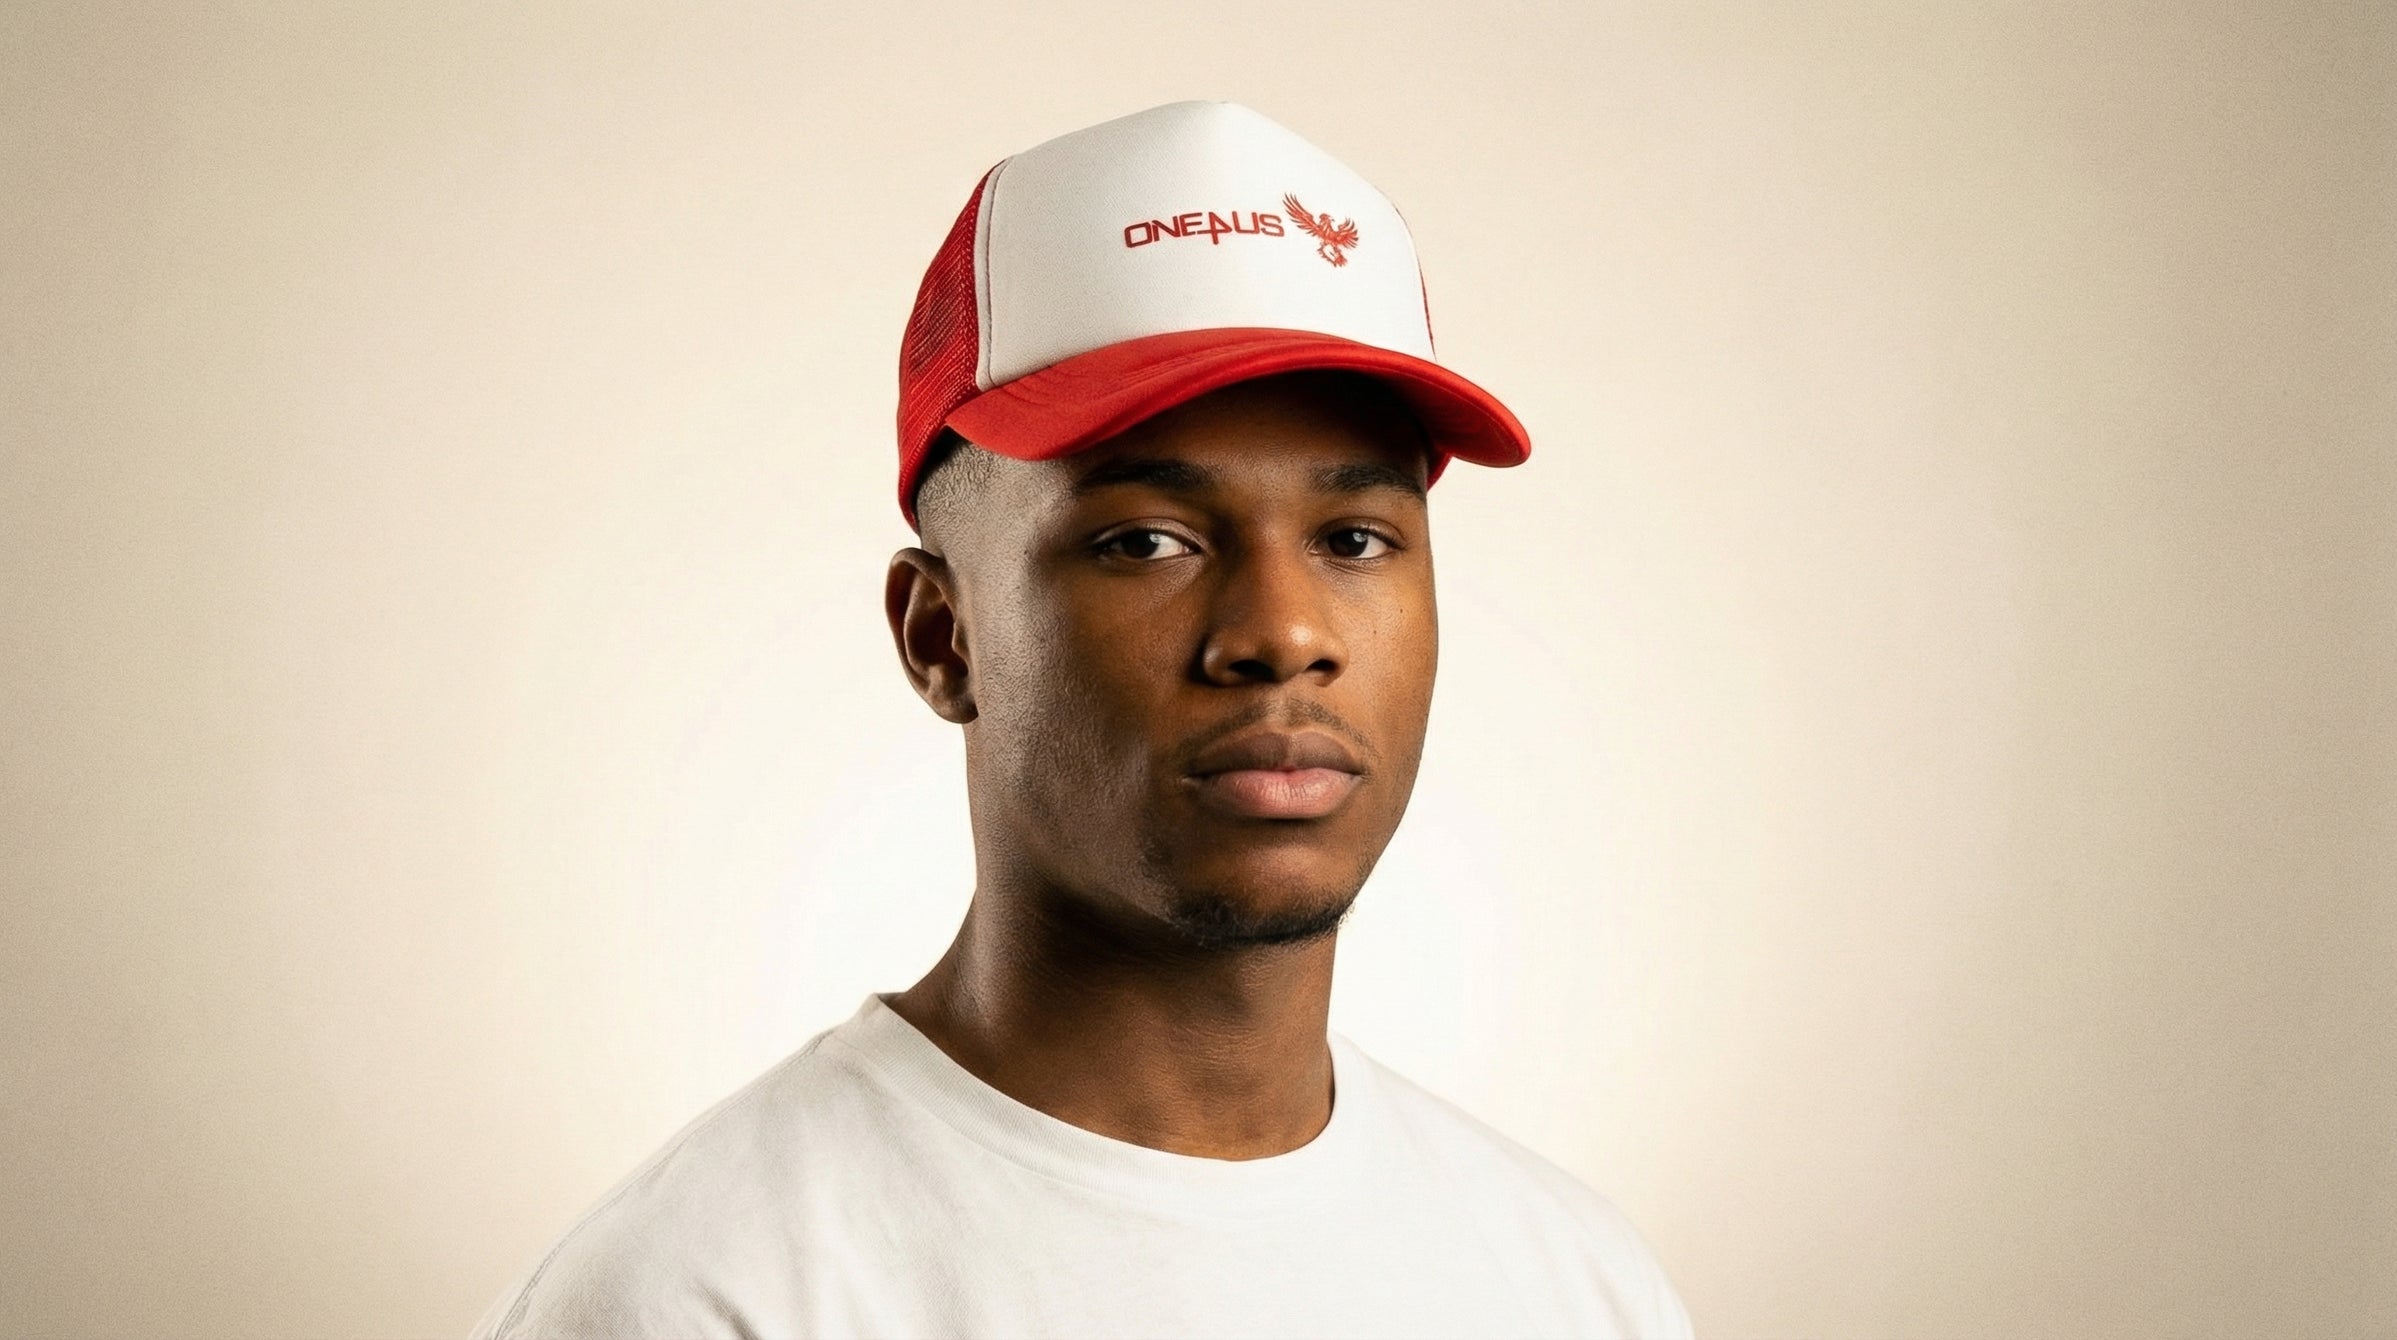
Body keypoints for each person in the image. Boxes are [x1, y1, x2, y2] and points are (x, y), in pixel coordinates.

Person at [473, 99, 1692, 1340]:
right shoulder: (706, 1296)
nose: (1282, 631)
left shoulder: (1574, 1283)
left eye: (1353, 539)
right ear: (941, 636)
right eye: (1144, 540)